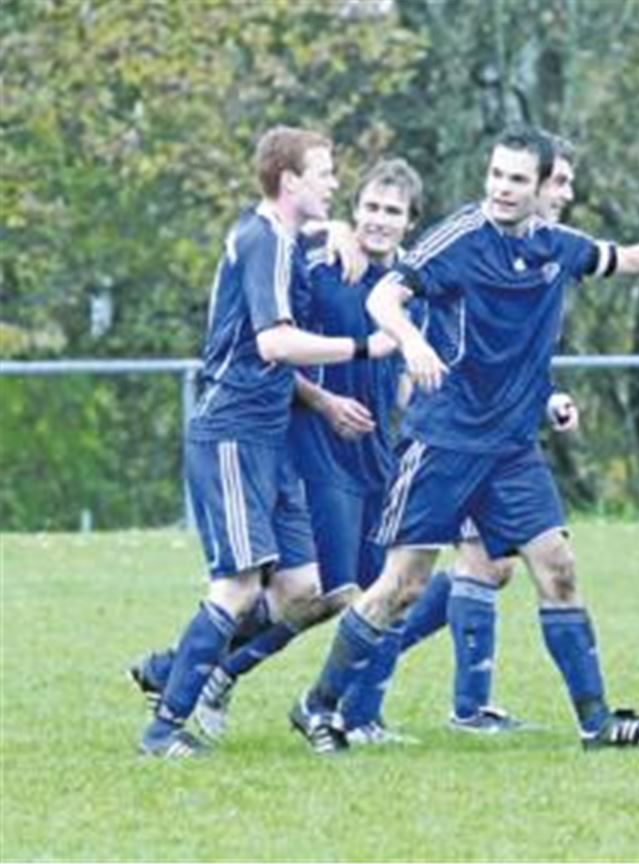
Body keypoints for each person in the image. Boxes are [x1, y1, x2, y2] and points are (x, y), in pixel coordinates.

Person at [290, 124, 639, 753]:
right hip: (446, 441)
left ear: (543, 187)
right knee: (401, 584)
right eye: (496, 175)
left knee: (558, 568)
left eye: (517, 179)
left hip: (512, 448)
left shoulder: (557, 245)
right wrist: (413, 339)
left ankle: (599, 724)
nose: (502, 189)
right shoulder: (459, 238)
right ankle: (317, 705)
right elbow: (384, 296)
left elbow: (626, 257)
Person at [136, 126, 393, 758]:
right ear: (290, 181)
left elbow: (306, 248)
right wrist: (364, 346)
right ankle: (164, 730)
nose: (335, 182)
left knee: (306, 591)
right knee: (237, 587)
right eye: (325, 173)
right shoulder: (263, 244)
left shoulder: (281, 237)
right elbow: (273, 343)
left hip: (270, 438)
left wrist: (329, 230)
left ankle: (173, 669)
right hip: (231, 433)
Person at [391, 134, 581, 735]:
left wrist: (548, 396)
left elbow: (511, 354)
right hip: (453, 425)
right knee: (419, 576)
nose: (568, 195)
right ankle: (396, 679)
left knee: (485, 566)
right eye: (562, 183)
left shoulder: (541, 255)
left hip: (495, 429)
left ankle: (465, 704)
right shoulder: (478, 241)